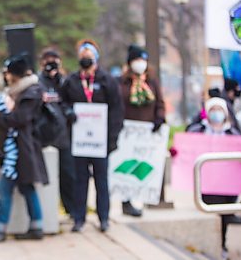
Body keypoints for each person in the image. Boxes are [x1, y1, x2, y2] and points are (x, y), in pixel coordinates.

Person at [60, 39, 124, 233]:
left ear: (95, 58)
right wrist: (68, 112)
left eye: (89, 57)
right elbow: (62, 103)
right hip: (79, 140)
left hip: (100, 141)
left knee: (101, 180)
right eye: (83, 57)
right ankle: (79, 218)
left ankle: (103, 217)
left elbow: (116, 110)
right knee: (80, 180)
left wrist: (111, 138)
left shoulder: (107, 81)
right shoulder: (72, 81)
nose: (86, 60)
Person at [0, 54, 48, 243]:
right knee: (27, 188)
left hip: (21, 152)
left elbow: (20, 119)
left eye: (8, 73)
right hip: (19, 150)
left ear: (15, 75)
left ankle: (0, 230)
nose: (6, 77)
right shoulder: (20, 91)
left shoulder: (30, 92)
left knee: (5, 189)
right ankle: (36, 227)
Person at [185, 97, 241, 259]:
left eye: (219, 110)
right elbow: (185, 148)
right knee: (211, 213)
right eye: (213, 109)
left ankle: (223, 244)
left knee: (225, 214)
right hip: (207, 183)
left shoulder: (233, 133)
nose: (216, 113)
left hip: (228, 184)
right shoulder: (197, 130)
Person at [118, 45, 165, 217]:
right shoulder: (122, 82)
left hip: (147, 133)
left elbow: (160, 102)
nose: (140, 64)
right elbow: (118, 103)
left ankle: (143, 197)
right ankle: (126, 201)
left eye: (143, 60)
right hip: (128, 132)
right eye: (137, 60)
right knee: (127, 165)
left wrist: (159, 118)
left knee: (143, 165)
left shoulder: (152, 82)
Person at [37, 49, 77, 218]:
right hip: (45, 135)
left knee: (68, 175)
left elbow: (71, 100)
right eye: (48, 60)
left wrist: (60, 81)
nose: (51, 63)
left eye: (54, 60)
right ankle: (49, 212)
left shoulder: (64, 82)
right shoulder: (38, 81)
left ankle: (71, 209)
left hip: (63, 136)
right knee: (47, 177)